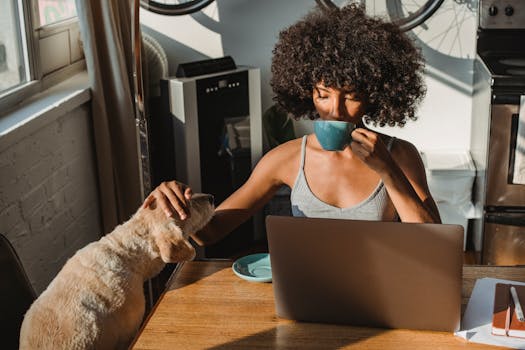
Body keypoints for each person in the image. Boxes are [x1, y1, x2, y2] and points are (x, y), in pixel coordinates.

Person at [143, 4, 441, 247]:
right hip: (305, 292)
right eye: (323, 95)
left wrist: (387, 170)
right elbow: (211, 232)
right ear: (306, 91)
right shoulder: (285, 159)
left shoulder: (398, 155)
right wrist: (178, 206)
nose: (334, 111)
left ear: (375, 96)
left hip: (380, 289)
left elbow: (434, 243)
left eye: (351, 96)